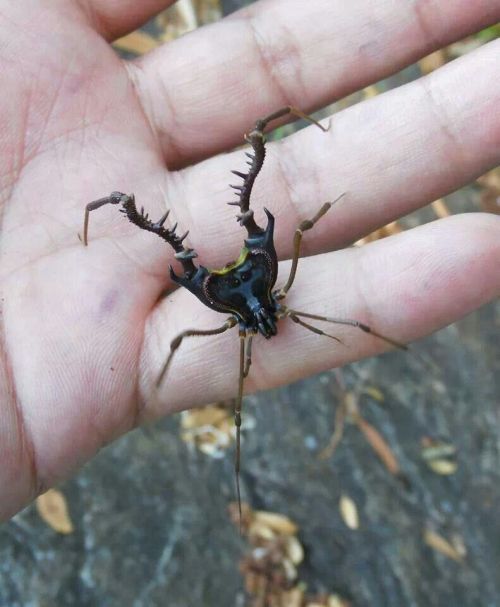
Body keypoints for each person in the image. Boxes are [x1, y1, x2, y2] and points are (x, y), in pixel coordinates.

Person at [0, 0, 498, 522]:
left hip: (238, 297)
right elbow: (214, 325)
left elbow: (313, 268)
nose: (271, 326)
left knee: (274, 232)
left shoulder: (254, 324)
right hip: (248, 291)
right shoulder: (254, 324)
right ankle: (125, 206)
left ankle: (184, 183)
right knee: (242, 241)